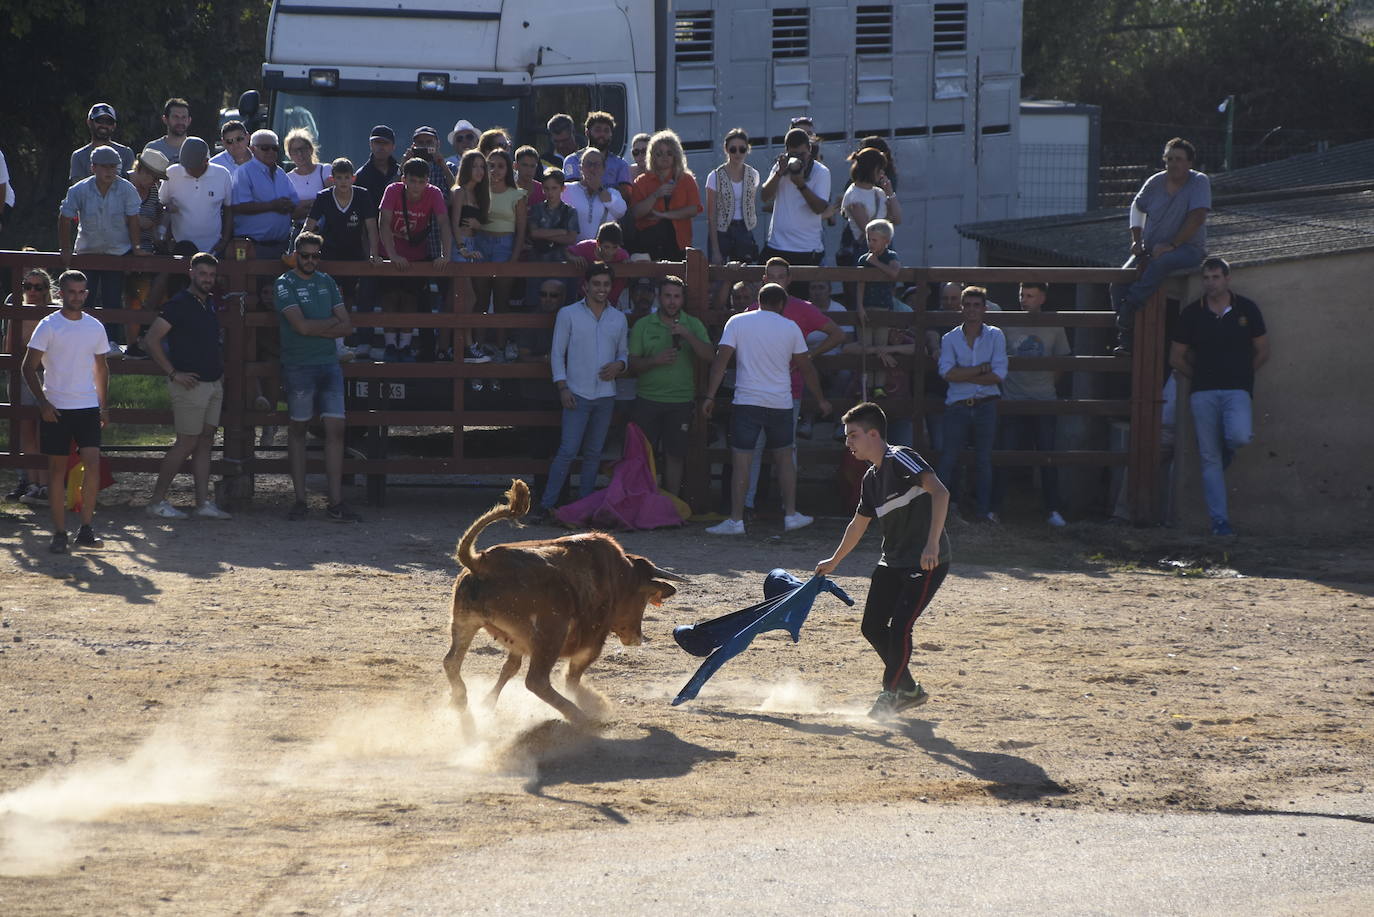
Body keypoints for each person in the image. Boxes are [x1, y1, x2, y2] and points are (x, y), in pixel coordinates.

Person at [814, 401, 951, 720]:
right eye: (847, 436)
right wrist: (835, 560)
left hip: (926, 561)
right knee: (872, 627)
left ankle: (890, 693)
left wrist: (932, 543)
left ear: (874, 434)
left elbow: (941, 493)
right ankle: (910, 690)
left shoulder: (900, 456)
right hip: (893, 561)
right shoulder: (870, 479)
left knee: (901, 627)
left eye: (853, 435)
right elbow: (858, 524)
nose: (848, 442)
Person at [703, 282, 832, 535]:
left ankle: (736, 520)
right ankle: (791, 515)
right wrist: (821, 399)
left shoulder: (737, 322)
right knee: (785, 459)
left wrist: (709, 396)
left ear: (758, 300)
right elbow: (806, 368)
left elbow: (720, 363)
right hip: (781, 403)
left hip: (746, 402)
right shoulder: (791, 327)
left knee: (742, 462)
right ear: (782, 304)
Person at [1169, 257, 1270, 536]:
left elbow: (1263, 350)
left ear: (1227, 278)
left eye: (1216, 277)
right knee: (1209, 459)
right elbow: (1176, 357)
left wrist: (1243, 376)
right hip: (1203, 392)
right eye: (1206, 278)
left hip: (1237, 390)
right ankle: (1219, 522)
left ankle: (1229, 450)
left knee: (1238, 436)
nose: (1210, 283)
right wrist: (1199, 376)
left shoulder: (1247, 308)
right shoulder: (1192, 313)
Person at [742, 258, 845, 512]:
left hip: (789, 390)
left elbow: (837, 334)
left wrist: (809, 355)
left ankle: (787, 506)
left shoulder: (802, 309)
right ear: (764, 280)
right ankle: (749, 504)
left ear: (789, 280)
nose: (777, 280)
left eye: (781, 276)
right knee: (757, 450)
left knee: (784, 450)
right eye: (772, 276)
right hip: (758, 391)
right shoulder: (751, 311)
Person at [273, 231, 361, 522]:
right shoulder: (284, 283)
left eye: (315, 256)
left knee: (336, 430)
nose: (310, 260)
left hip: (328, 363)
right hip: (298, 364)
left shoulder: (327, 281)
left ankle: (335, 501)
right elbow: (301, 327)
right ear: (296, 255)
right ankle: (300, 499)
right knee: (298, 430)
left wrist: (316, 328)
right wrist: (327, 327)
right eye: (305, 255)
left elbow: (346, 326)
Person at [21, 270, 110, 553]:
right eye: (71, 291)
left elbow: (101, 367)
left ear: (86, 293)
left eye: (81, 292)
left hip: (86, 406)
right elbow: (28, 366)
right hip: (56, 408)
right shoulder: (48, 325)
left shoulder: (95, 326)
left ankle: (86, 528)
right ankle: (59, 532)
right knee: (57, 471)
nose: (77, 296)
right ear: (61, 293)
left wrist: (102, 404)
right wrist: (43, 403)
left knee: (93, 464)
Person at [535, 261, 629, 518]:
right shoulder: (568, 314)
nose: (601, 289)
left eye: (606, 284)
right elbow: (557, 354)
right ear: (585, 286)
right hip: (576, 392)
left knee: (593, 453)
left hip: (605, 394)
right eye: (596, 284)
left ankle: (585, 507)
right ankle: (547, 505)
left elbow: (623, 352)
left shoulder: (618, 318)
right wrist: (563, 387)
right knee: (567, 451)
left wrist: (619, 365)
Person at [143, 253, 233, 520]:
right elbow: (151, 340)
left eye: (212, 275)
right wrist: (173, 373)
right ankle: (156, 501)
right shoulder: (179, 303)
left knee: (205, 441)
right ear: (191, 272)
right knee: (186, 443)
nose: (207, 279)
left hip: (212, 382)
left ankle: (203, 503)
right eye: (203, 273)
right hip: (190, 385)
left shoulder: (208, 303)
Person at [1113, 137, 1211, 353]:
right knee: (1118, 279)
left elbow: (1197, 217)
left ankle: (1129, 309)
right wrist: (1136, 241)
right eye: (1169, 159)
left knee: (1161, 262)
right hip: (1150, 247)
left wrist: (1172, 245)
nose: (1173, 164)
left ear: (1189, 163)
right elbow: (1137, 208)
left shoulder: (1199, 182)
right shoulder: (1155, 182)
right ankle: (1126, 337)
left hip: (1187, 249)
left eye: (1179, 159)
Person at [992, 282, 1071, 527]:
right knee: (1004, 454)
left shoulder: (1054, 325)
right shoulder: (1006, 324)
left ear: (1042, 298)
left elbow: (1062, 361)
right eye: (1021, 295)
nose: (1024, 300)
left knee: (1047, 455)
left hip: (1044, 398)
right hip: (1012, 398)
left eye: (1030, 295)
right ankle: (995, 508)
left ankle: (1052, 509)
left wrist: (1046, 383)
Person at [628, 275, 713, 496]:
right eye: (667, 296)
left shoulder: (692, 324)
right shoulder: (643, 325)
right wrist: (654, 361)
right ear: (659, 297)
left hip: (681, 401)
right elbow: (633, 364)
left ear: (683, 299)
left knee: (675, 454)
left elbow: (709, 356)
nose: (672, 302)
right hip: (648, 399)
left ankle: (672, 503)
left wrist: (688, 335)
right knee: (643, 454)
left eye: (676, 296)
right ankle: (643, 501)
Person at [58, 144, 146, 348]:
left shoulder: (126, 188)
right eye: (104, 166)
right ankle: (80, 341)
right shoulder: (79, 189)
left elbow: (134, 219)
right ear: (93, 168)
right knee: (82, 299)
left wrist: (137, 246)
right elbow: (65, 217)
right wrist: (65, 248)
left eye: (113, 166)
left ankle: (111, 342)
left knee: (112, 299)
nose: (109, 171)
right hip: (87, 252)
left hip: (116, 252)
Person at [936, 286, 1007, 524]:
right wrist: (979, 370)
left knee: (984, 460)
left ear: (985, 309)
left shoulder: (995, 335)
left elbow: (999, 374)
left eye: (977, 305)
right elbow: (946, 373)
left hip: (986, 404)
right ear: (961, 308)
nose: (972, 310)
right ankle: (942, 513)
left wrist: (963, 374)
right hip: (957, 405)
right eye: (968, 305)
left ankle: (982, 512)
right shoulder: (950, 338)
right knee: (948, 459)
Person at [302, 157, 380, 361]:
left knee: (349, 300)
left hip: (354, 253)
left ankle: (342, 343)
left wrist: (374, 252)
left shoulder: (363, 196)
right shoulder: (323, 197)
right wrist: (299, 251)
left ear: (353, 178)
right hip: (330, 253)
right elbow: (308, 227)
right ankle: (334, 344)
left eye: (347, 177)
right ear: (332, 179)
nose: (343, 182)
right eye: (339, 178)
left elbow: (371, 227)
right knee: (331, 298)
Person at [378, 158, 453, 361]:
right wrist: (392, 255)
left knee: (411, 299)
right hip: (389, 252)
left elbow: (444, 223)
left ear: (427, 180)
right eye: (413, 181)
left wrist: (445, 255)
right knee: (390, 298)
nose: (417, 186)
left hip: (417, 254)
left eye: (422, 181)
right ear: (404, 179)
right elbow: (383, 222)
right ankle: (390, 344)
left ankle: (405, 345)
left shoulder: (434, 193)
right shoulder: (392, 190)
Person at [760, 127, 831, 292]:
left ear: (810, 150)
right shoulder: (782, 168)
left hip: (806, 250)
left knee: (801, 302)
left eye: (802, 154)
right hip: (777, 246)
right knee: (768, 295)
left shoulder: (821, 172)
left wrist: (801, 185)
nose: (799, 159)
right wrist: (779, 173)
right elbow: (764, 196)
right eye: (794, 154)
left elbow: (819, 208)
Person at [8, 269, 56, 506]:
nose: (32, 292)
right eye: (28, 286)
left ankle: (47, 485)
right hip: (23, 376)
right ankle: (33, 483)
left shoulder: (54, 312)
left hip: (48, 376)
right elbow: (8, 347)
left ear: (47, 290)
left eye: (38, 287)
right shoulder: (15, 309)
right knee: (26, 430)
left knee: (45, 430)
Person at [470, 149, 526, 334]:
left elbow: (521, 230)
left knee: (502, 300)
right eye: (490, 165)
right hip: (480, 243)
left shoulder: (517, 194)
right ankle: (478, 346)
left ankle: (501, 347)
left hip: (505, 245)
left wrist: (514, 258)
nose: (495, 170)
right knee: (481, 300)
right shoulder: (477, 191)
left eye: (500, 166)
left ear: (508, 169)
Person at [627, 129, 701, 261]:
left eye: (669, 153)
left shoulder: (686, 179)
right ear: (652, 156)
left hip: (679, 243)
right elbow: (635, 213)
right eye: (659, 154)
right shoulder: (642, 181)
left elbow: (694, 209)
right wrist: (656, 195)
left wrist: (664, 215)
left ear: (676, 155)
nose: (665, 157)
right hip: (649, 245)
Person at [230, 129, 299, 259]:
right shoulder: (244, 172)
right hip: (252, 247)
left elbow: (294, 202)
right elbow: (239, 206)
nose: (271, 152)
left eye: (274, 148)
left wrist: (287, 205)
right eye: (265, 148)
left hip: (281, 247)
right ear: (252, 149)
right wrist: (273, 205)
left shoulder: (281, 174)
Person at [159, 137, 233, 257]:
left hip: (213, 250)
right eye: (185, 165)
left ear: (206, 161)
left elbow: (229, 209)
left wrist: (224, 241)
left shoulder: (223, 175)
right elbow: (161, 205)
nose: (187, 169)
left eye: (192, 166)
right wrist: (165, 238)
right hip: (179, 249)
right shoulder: (171, 173)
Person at [855, 219, 903, 397]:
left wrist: (875, 263)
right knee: (866, 347)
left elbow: (894, 273)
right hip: (867, 307)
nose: (870, 243)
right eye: (869, 239)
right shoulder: (863, 259)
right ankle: (864, 386)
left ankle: (879, 386)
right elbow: (860, 284)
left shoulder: (891, 256)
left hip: (883, 308)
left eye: (874, 240)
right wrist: (859, 307)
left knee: (881, 346)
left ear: (886, 241)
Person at [449, 149, 490, 362]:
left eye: (482, 166)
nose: (480, 171)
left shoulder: (479, 194)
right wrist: (462, 247)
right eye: (474, 166)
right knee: (468, 297)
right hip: (461, 248)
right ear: (466, 168)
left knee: (470, 298)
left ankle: (465, 345)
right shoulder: (459, 192)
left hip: (474, 246)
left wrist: (478, 225)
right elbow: (454, 224)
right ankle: (466, 346)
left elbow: (479, 225)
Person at [523, 167, 580, 307]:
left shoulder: (570, 211)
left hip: (561, 263)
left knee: (562, 304)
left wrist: (545, 234)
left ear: (562, 188)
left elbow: (571, 238)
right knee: (534, 304)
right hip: (537, 263)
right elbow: (534, 233)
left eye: (554, 188)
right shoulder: (536, 209)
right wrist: (560, 231)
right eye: (547, 188)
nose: (550, 192)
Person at [705, 128, 761, 265]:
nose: (737, 153)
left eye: (742, 149)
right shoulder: (715, 176)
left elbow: (750, 204)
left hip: (744, 229)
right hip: (721, 231)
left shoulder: (753, 174)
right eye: (733, 149)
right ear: (726, 149)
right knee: (719, 276)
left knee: (744, 277)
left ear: (747, 149)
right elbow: (711, 216)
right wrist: (715, 250)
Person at [840, 147, 901, 266]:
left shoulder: (879, 192)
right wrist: (887, 216)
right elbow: (868, 229)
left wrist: (890, 193)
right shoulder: (854, 195)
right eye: (879, 169)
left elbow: (897, 219)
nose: (882, 173)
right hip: (866, 250)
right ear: (871, 170)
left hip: (885, 249)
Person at [564, 148, 627, 247]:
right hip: (574, 255)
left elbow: (621, 211)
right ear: (581, 168)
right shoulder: (567, 189)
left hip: (602, 254)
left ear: (603, 169)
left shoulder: (612, 193)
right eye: (588, 164)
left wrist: (599, 189)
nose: (592, 169)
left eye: (597, 165)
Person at [562, 111, 632, 200]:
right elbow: (571, 192)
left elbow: (625, 196)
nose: (602, 134)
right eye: (597, 130)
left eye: (606, 131)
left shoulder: (621, 165)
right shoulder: (572, 160)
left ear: (611, 134)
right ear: (587, 132)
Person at [565, 221, 630, 304]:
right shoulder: (586, 247)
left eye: (615, 247)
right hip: (583, 299)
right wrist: (573, 258)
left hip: (610, 303)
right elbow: (566, 252)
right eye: (607, 247)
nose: (610, 252)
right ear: (598, 243)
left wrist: (627, 265)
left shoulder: (622, 255)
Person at [69, 103, 135, 184]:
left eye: (109, 122)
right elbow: (77, 190)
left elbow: (130, 186)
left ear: (114, 126)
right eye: (99, 120)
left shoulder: (126, 153)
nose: (104, 125)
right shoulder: (78, 156)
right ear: (89, 122)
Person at [284, 128, 331, 220]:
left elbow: (332, 199)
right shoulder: (287, 178)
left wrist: (303, 204)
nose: (300, 154)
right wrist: (316, 203)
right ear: (290, 155)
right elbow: (290, 212)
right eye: (294, 151)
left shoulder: (325, 170)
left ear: (310, 149)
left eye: (302, 149)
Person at [356, 125, 400, 204]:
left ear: (393, 146)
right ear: (370, 144)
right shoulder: (361, 175)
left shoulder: (401, 172)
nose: (381, 147)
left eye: (385, 143)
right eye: (377, 142)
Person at [145, 98, 192, 166]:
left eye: (184, 117)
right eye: (175, 117)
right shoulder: (153, 149)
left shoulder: (198, 149)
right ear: (165, 119)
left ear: (189, 120)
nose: (180, 121)